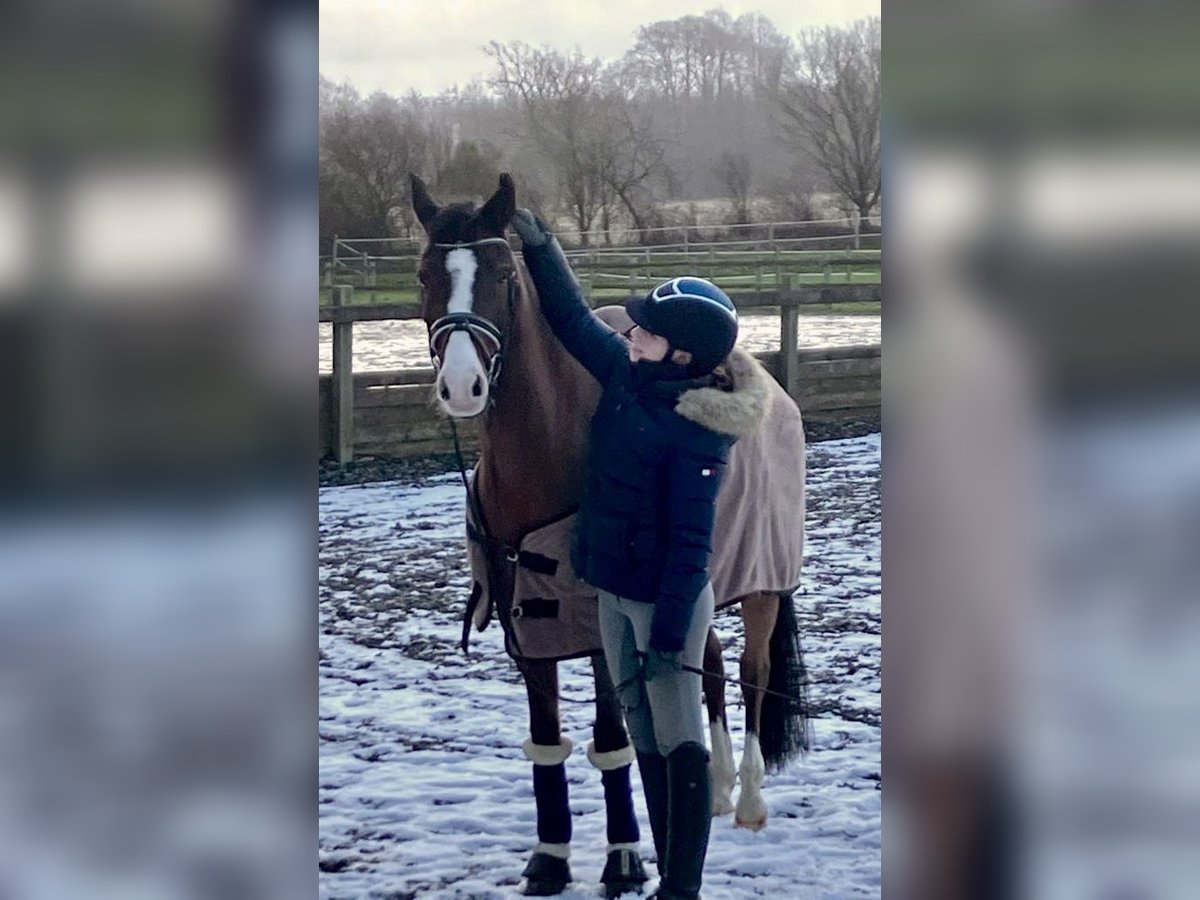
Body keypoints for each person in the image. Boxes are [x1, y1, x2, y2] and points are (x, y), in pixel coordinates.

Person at [511, 209, 739, 900]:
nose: (629, 332)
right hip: (612, 589)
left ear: (678, 353)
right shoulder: (628, 376)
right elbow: (576, 320)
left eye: (644, 329)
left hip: (664, 604)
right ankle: (670, 869)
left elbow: (692, 545)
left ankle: (682, 888)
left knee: (679, 738)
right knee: (639, 728)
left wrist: (672, 633)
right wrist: (542, 247)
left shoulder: (699, 431)